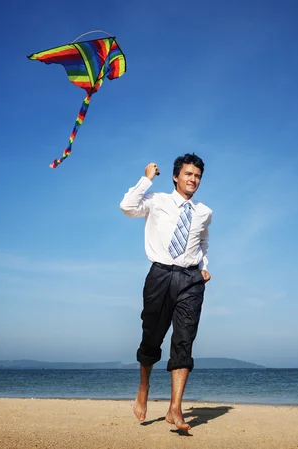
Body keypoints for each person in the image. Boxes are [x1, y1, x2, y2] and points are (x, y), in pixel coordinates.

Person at [119, 153, 212, 431]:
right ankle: (144, 386)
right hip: (160, 275)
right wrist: (146, 179)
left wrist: (204, 266)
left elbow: (203, 243)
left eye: (197, 176)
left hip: (191, 279)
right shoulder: (156, 200)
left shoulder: (204, 212)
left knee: (184, 340)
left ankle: (175, 408)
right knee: (151, 338)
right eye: (188, 174)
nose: (193, 179)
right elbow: (127, 206)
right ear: (176, 176)